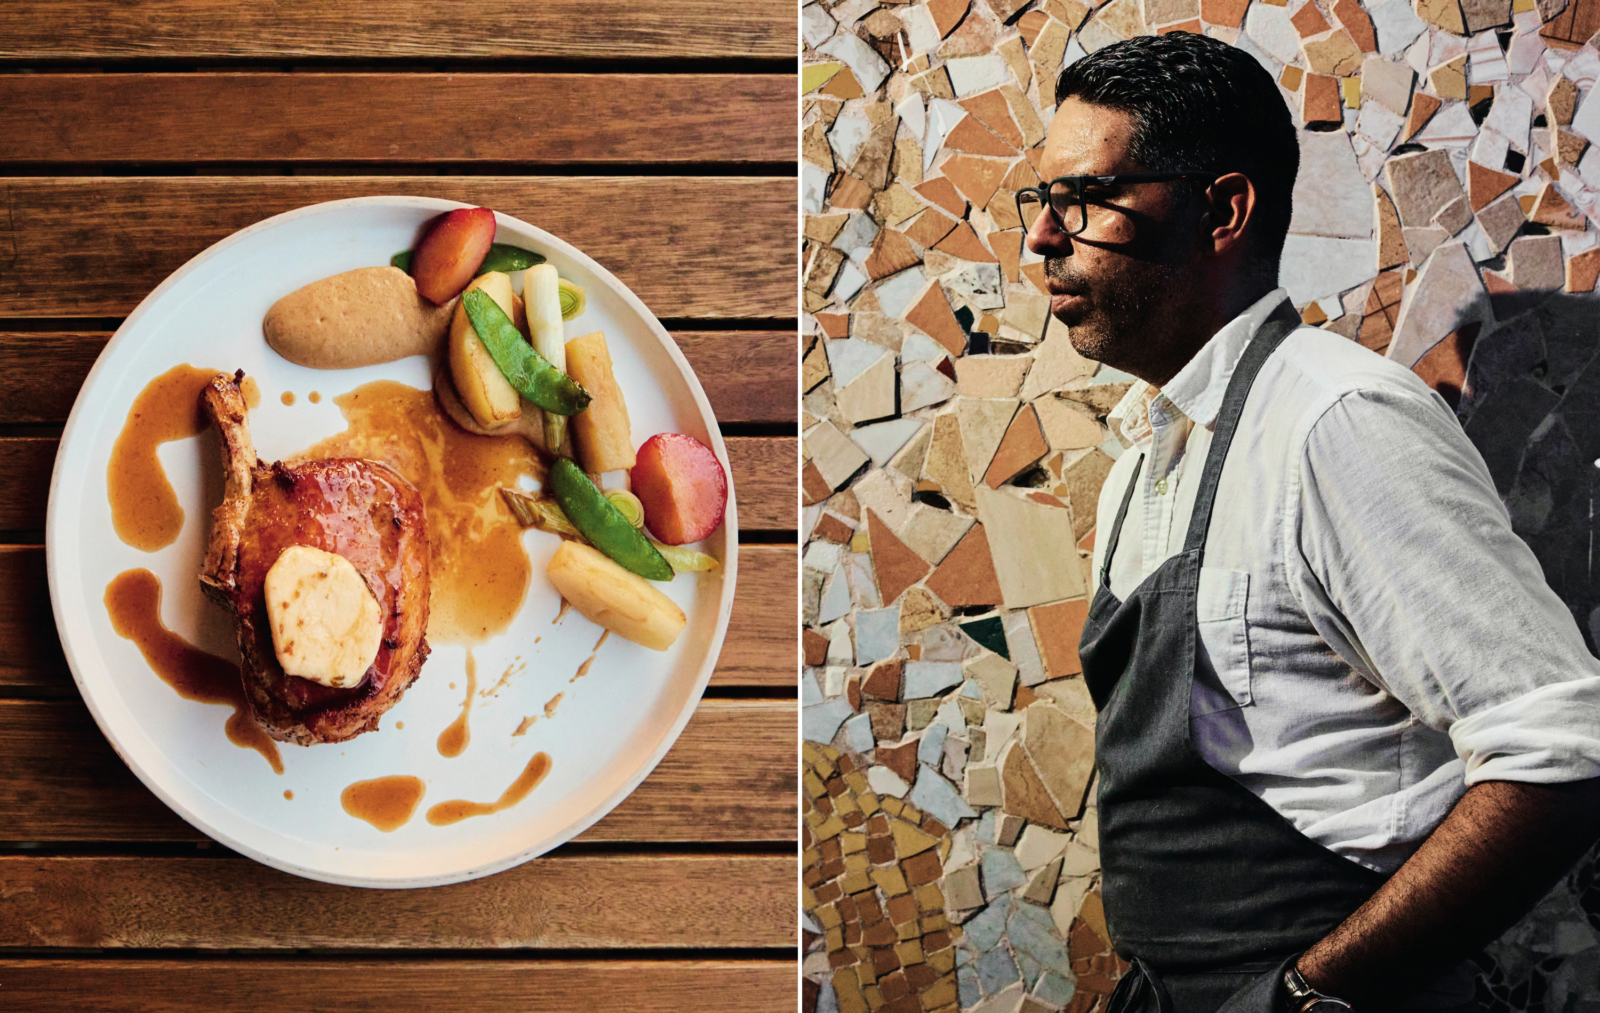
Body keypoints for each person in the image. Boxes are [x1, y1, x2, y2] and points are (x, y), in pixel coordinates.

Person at [1021, 31, 1600, 1013]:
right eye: (1038, 202)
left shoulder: (1334, 422)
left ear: (1221, 210)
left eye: (1085, 199)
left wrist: (1304, 996)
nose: (1040, 238)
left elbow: (1564, 746)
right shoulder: (1138, 460)